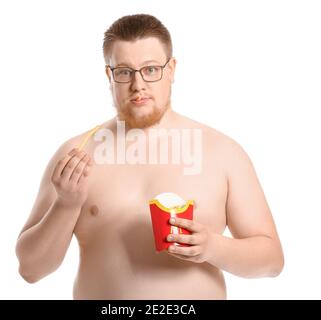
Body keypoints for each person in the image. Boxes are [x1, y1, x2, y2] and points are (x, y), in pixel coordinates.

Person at [15, 14, 284, 299]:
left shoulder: (223, 152)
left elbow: (272, 261)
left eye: (151, 69)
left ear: (171, 70)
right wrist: (66, 205)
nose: (138, 84)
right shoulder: (77, 154)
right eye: (124, 71)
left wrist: (213, 248)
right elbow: (31, 269)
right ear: (110, 75)